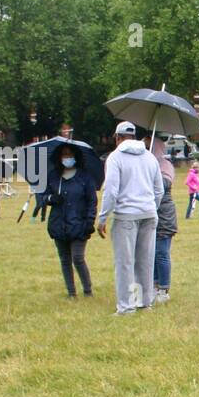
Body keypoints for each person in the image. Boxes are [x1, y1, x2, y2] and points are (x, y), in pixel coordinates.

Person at [97, 121, 162, 315]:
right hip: (149, 213)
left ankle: (126, 306)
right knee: (145, 261)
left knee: (124, 262)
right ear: (133, 136)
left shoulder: (115, 157)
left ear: (117, 138)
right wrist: (151, 206)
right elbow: (159, 190)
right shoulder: (150, 157)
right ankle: (144, 302)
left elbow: (111, 190)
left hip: (125, 215)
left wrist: (103, 217)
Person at [46, 144, 98, 298]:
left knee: (78, 258)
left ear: (76, 157)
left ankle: (87, 290)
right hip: (58, 224)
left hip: (79, 224)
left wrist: (90, 221)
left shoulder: (85, 177)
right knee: (65, 260)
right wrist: (51, 198)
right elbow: (43, 197)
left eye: (70, 154)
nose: (67, 157)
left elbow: (92, 201)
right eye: (64, 154)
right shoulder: (53, 176)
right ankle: (71, 292)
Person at [152, 138, 177, 302]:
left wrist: (150, 172)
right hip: (151, 215)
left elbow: (163, 185)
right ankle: (154, 286)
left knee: (161, 253)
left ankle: (164, 289)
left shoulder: (165, 165)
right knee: (152, 254)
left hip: (164, 216)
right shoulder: (147, 164)